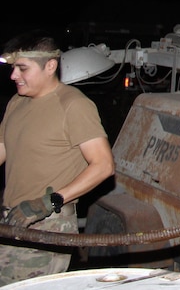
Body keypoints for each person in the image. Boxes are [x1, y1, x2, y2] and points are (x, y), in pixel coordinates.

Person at [0, 31, 115, 284]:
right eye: (13, 68)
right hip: (12, 218)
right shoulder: (17, 102)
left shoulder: (74, 105)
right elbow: (3, 148)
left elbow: (104, 165)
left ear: (50, 66)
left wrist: (49, 202)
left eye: (22, 69)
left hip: (47, 224)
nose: (13, 76)